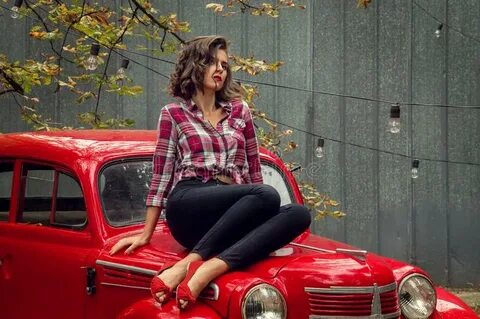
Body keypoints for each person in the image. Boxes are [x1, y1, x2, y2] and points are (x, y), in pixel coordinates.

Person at [110, 35, 311, 310]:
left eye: (225, 65)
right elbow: (161, 175)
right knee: (266, 195)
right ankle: (193, 263)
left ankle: (204, 268)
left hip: (229, 212)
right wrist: (146, 233)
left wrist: (263, 218)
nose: (220, 70)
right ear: (195, 65)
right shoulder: (174, 114)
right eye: (212, 63)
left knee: (299, 213)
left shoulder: (241, 112)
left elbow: (253, 170)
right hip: (190, 203)